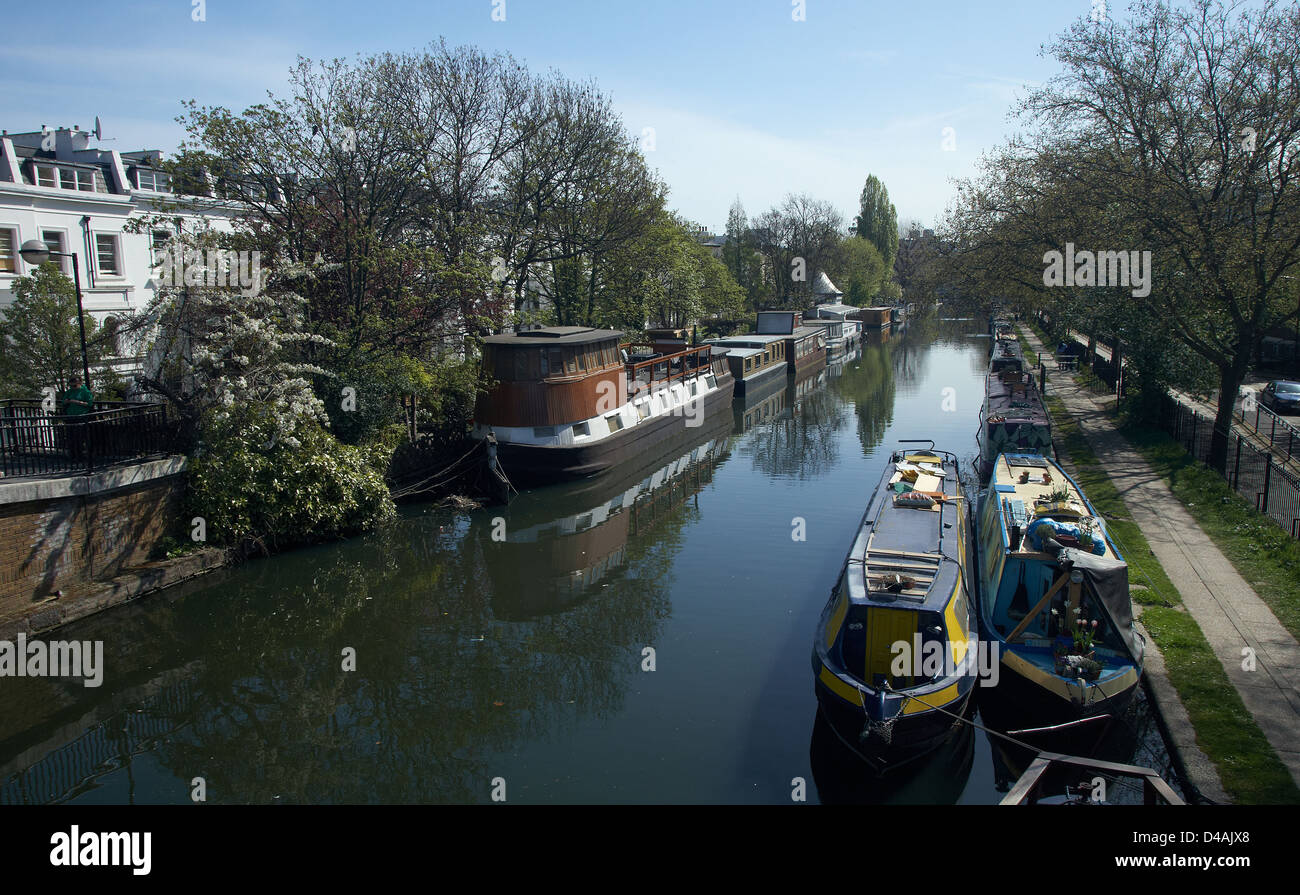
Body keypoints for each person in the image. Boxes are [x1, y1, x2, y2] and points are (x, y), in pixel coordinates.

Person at [60, 375, 94, 461]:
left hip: (81, 416)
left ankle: (81, 455)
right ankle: (73, 454)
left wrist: (77, 402)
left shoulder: (85, 392)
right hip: (71, 416)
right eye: (71, 386)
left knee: (80, 437)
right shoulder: (69, 392)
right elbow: (63, 401)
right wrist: (67, 401)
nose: (73, 388)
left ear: (80, 384)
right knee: (71, 437)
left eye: (75, 386)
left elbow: (89, 404)